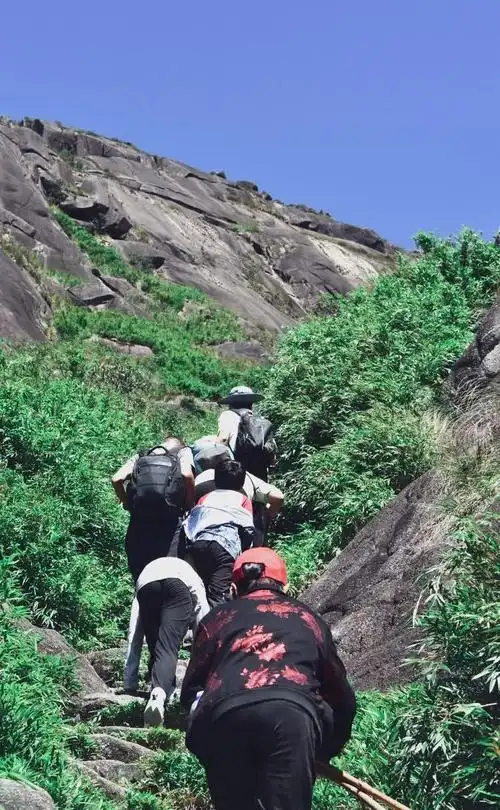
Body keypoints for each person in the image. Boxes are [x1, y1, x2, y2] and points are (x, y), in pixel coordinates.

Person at [180, 548, 356, 810]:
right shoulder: (309, 619)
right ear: (283, 585)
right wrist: (324, 748)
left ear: (234, 587)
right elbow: (341, 696)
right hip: (290, 717)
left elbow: (191, 690)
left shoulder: (216, 619)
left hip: (223, 716)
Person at [124, 555, 209, 726]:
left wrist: (129, 681)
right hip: (178, 585)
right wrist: (205, 658)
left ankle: (159, 691)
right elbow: (203, 615)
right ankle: (160, 694)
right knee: (168, 648)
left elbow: (135, 633)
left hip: (145, 584)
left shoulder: (152, 570)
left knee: (158, 648)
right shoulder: (191, 575)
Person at [112, 437, 195, 582]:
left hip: (140, 519)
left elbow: (116, 479)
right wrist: (189, 504)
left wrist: (127, 503)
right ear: (179, 445)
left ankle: (141, 598)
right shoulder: (183, 452)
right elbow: (187, 475)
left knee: (140, 571)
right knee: (170, 570)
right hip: (170, 519)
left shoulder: (141, 455)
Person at [182, 459, 258, 606]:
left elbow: (192, 522)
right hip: (224, 548)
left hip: (198, 546)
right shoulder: (243, 500)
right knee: (218, 598)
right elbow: (248, 530)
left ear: (215, 480)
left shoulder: (205, 497)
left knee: (194, 594)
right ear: (242, 483)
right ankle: (215, 626)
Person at [194, 465, 284, 546]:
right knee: (260, 506)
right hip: (231, 542)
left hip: (200, 534)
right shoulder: (247, 486)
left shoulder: (203, 476)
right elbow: (278, 497)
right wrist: (267, 517)